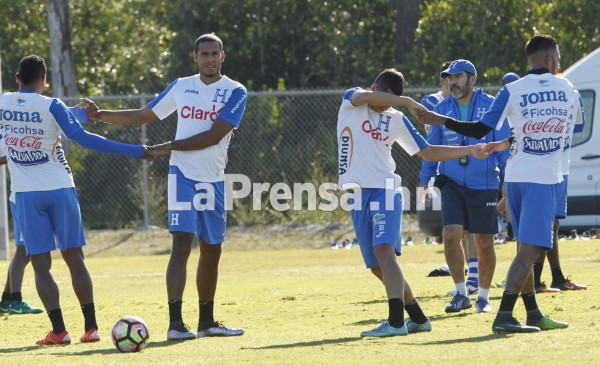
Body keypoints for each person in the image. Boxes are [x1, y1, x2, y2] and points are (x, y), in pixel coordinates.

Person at [82, 33, 248, 340]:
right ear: (194, 57)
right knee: (181, 245)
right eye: (204, 54)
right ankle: (175, 325)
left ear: (223, 57)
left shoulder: (236, 91)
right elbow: (143, 114)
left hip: (213, 180)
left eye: (215, 54)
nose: (209, 59)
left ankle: (207, 322)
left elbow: (213, 136)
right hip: (182, 175)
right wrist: (100, 114)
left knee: (212, 250)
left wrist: (167, 145)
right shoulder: (182, 86)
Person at [417, 35, 582, 334]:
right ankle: (504, 314)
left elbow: (482, 129)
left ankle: (532, 313)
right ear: (549, 60)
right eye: (557, 58)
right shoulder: (568, 88)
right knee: (528, 252)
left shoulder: (510, 91)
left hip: (517, 177)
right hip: (544, 178)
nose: (558, 63)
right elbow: (575, 126)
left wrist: (448, 124)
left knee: (521, 245)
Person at [0, 55, 153, 346]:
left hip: (26, 195)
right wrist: (133, 150)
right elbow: (81, 137)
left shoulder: (2, 103)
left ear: (17, 78)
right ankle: (91, 328)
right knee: (74, 259)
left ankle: (59, 332)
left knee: (41, 266)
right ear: (43, 81)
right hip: (61, 189)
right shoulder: (52, 105)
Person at [337, 68, 488, 337]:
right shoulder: (352, 101)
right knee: (376, 266)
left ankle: (395, 322)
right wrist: (407, 101)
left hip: (385, 190)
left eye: (393, 102)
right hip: (358, 195)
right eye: (384, 101)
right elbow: (362, 97)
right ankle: (417, 318)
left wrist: (469, 149)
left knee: (385, 252)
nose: (386, 108)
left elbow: (428, 152)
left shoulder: (396, 118)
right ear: (374, 89)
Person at [420, 60, 510, 314]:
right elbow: (431, 151)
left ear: (473, 79)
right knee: (450, 234)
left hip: (484, 184)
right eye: (450, 77)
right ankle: (461, 294)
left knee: (484, 241)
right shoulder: (441, 109)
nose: (453, 82)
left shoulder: (491, 106)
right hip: (453, 185)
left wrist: (507, 182)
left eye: (458, 77)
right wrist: (425, 183)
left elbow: (503, 146)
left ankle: (483, 296)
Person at [533, 89, 587, 293]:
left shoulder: (570, 92)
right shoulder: (568, 91)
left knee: (552, 225)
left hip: (559, 166)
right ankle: (534, 280)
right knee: (545, 225)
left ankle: (554, 277)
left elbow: (579, 124)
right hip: (543, 167)